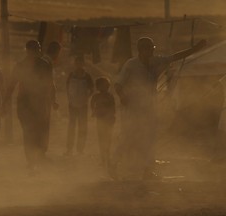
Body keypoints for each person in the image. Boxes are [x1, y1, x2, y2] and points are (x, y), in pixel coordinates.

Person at [109, 37, 207, 180]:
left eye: (152, 49)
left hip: (149, 107)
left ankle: (148, 170)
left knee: (150, 137)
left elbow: (176, 56)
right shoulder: (131, 64)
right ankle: (113, 164)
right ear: (141, 50)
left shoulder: (156, 61)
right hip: (132, 107)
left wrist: (195, 49)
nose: (151, 51)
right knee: (129, 137)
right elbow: (118, 84)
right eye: (149, 49)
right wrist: (123, 96)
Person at [3, 40, 58, 175]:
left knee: (41, 131)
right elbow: (11, 85)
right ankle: (32, 161)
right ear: (28, 50)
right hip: (25, 104)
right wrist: (4, 102)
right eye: (33, 49)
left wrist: (53, 100)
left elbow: (50, 84)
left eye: (37, 49)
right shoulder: (21, 66)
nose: (36, 51)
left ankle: (39, 156)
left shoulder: (45, 65)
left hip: (40, 103)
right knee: (28, 132)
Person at [65, 55, 94, 156]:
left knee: (82, 127)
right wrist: (70, 99)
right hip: (72, 105)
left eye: (80, 63)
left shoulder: (87, 76)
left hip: (83, 105)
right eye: (77, 63)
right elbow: (67, 88)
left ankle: (80, 149)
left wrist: (86, 98)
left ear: (83, 64)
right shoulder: (71, 75)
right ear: (75, 64)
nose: (78, 65)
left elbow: (92, 89)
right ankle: (69, 149)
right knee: (71, 127)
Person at [90, 77, 115, 168]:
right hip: (100, 120)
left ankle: (107, 158)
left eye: (106, 86)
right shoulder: (96, 96)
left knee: (107, 140)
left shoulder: (109, 96)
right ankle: (103, 159)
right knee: (101, 140)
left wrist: (112, 116)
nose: (105, 87)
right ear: (98, 86)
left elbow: (113, 108)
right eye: (103, 85)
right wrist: (93, 111)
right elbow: (92, 103)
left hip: (107, 121)